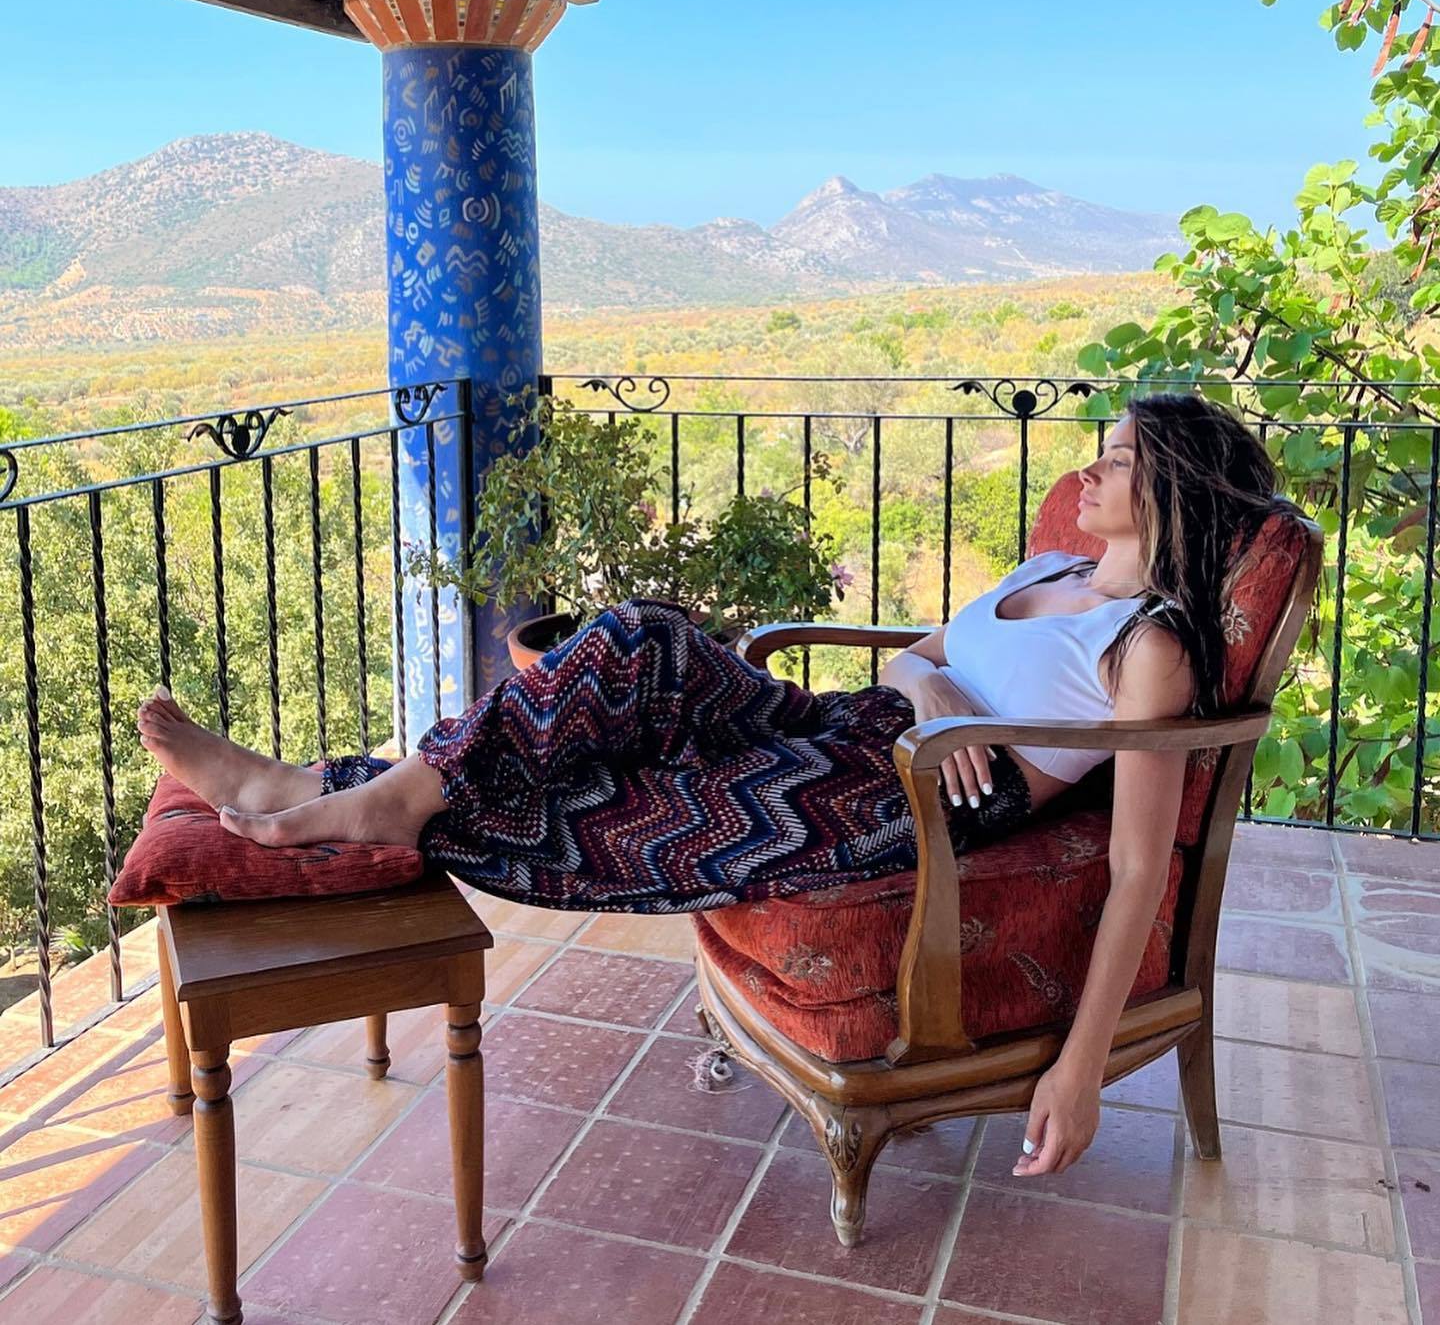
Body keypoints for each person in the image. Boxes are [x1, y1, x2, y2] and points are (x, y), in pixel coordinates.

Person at [138, 392, 1285, 1178]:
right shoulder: (1051, 564)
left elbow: (1141, 861)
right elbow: (916, 660)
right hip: (861, 724)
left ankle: (347, 791)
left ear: (1172, 488)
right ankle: (365, 787)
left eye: (1118, 457)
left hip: (893, 803)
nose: (1089, 469)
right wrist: (937, 688)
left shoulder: (1150, 646)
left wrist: (1082, 1068)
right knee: (643, 639)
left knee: (607, 805)